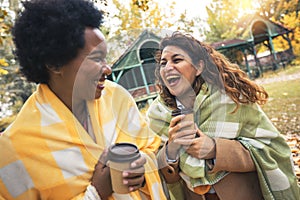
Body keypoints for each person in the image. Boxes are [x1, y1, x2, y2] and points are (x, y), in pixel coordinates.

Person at [0, 0, 166, 199]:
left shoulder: (116, 98)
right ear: (55, 64)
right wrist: (96, 193)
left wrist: (141, 169)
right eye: (96, 59)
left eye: (105, 58)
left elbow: (152, 148)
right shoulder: (14, 150)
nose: (108, 69)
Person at [147, 31, 300, 200]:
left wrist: (215, 149)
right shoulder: (157, 114)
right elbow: (158, 176)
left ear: (198, 67)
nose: (168, 67)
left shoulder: (232, 99)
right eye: (163, 63)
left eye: (177, 60)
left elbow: (274, 150)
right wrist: (171, 150)